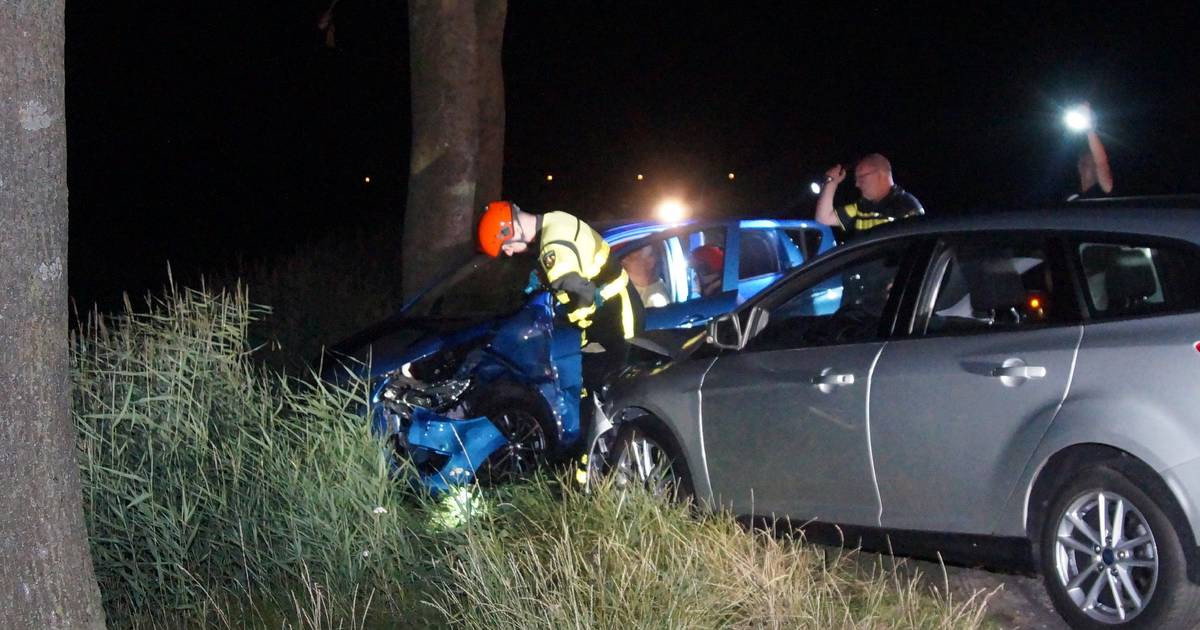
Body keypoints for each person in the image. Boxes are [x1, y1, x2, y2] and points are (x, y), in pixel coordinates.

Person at [477, 201, 642, 393]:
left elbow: (583, 293)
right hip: (615, 311)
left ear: (510, 231)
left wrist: (572, 330)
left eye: (505, 246)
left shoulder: (551, 248)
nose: (508, 252)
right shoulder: (555, 219)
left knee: (619, 393)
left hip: (617, 320)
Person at [814, 153, 924, 239]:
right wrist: (831, 182)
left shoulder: (906, 207)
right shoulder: (861, 207)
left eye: (861, 177)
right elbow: (823, 219)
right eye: (856, 180)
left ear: (881, 175)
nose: (857, 184)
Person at [1067, 102, 1114, 201]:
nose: (1081, 166)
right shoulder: (1073, 198)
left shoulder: (1103, 191)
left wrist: (1089, 129)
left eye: (1086, 164)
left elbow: (1101, 163)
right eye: (1081, 163)